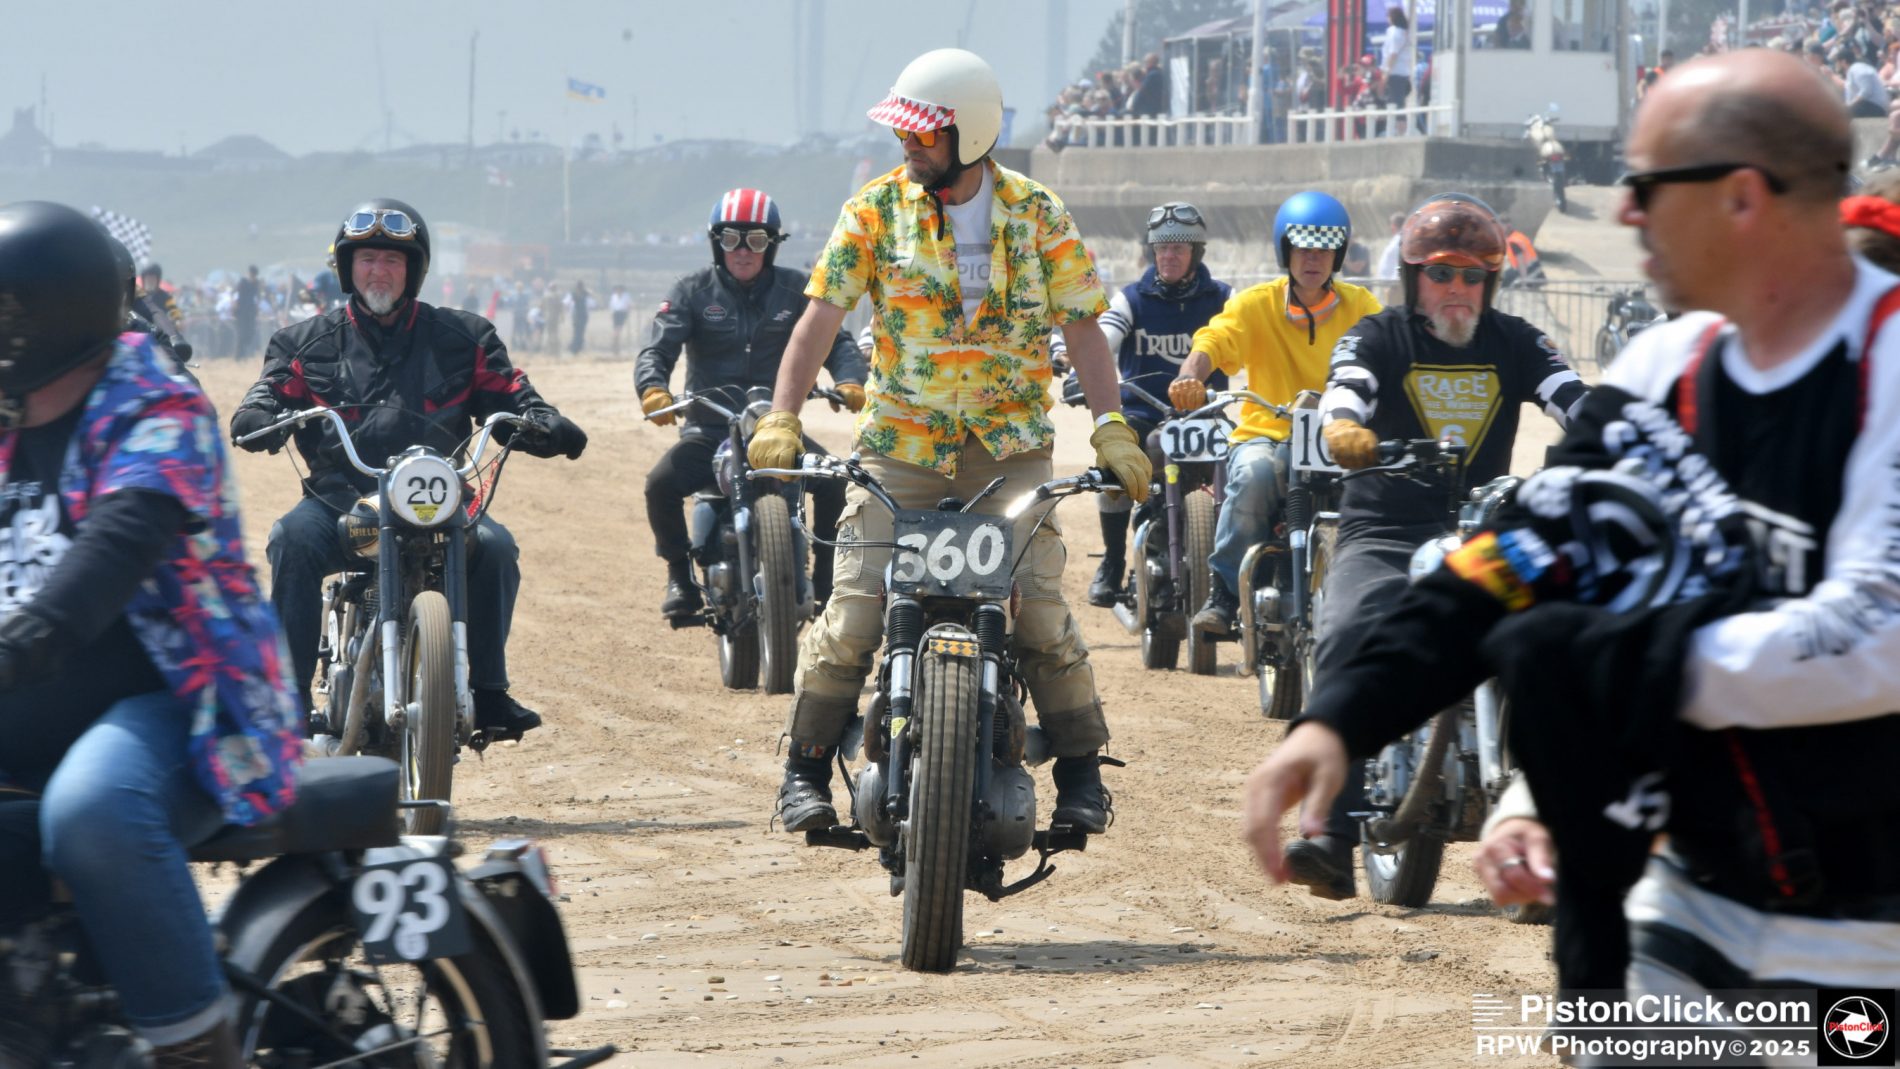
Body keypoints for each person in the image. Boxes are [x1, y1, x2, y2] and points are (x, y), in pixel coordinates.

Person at [1248, 48, 1900, 1003]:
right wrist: (1348, 713)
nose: (1626, 210)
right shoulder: (1664, 369)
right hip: (1684, 893)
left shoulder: (1882, 367)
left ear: (1744, 198)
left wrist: (1605, 669)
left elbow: (1875, 631)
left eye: (1646, 184)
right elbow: (1528, 558)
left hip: (1867, 914)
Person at [748, 48, 1152, 837]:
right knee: (856, 611)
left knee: (1039, 613)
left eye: (923, 135)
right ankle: (802, 769)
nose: (909, 147)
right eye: (905, 134)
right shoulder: (874, 211)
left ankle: (1078, 771)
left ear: (969, 136)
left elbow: (1084, 329)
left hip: (1009, 455)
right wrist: (782, 415)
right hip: (900, 448)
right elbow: (819, 319)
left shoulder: (1039, 215)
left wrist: (1111, 426)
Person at [0, 200, 302, 1068]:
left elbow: (119, 541)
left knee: (95, 813)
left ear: (42, 319)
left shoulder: (155, 404)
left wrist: (26, 637)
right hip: (36, 705)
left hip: (188, 702)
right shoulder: (11, 415)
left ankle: (195, 1048)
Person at [1272, 192, 1587, 900]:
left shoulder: (1516, 339)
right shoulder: (1379, 335)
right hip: (1384, 527)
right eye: (1443, 274)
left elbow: (1571, 394)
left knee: (1568, 638)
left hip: (1485, 525)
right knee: (1348, 635)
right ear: (1414, 278)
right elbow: (1346, 387)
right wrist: (1345, 428)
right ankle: (1329, 830)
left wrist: (1623, 430)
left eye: (1474, 276)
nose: (1458, 289)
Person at [229, 198, 587, 743]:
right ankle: (288, 699)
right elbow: (266, 394)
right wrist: (260, 416)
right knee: (290, 541)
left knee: (495, 548)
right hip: (338, 502)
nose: (380, 271)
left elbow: (512, 393)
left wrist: (544, 421)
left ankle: (488, 691)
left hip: (437, 503)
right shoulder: (302, 342)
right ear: (348, 268)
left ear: (414, 269)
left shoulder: (466, 337)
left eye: (393, 260)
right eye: (368, 259)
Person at [636, 188, 867, 620]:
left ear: (772, 245)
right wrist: (653, 390)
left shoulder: (798, 289)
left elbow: (836, 339)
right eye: (731, 240)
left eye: (756, 241)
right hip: (710, 430)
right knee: (659, 485)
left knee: (837, 482)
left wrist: (851, 378)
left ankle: (827, 584)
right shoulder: (691, 291)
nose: (743, 251)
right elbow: (658, 348)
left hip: (777, 427)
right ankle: (679, 576)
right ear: (715, 243)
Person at [1170, 191, 1383, 636]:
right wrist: (1191, 375)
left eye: (1324, 248)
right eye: (1303, 247)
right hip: (1265, 431)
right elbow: (1214, 341)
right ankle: (1225, 592)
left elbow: (1392, 347)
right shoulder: (1255, 304)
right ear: (1285, 250)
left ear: (1338, 254)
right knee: (1255, 476)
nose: (1313, 258)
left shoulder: (1362, 307)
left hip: (1337, 433)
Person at [1078, 202, 1233, 607]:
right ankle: (1112, 561)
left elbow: (1248, 332)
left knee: (1246, 469)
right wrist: (1074, 365)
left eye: (1178, 249)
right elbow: (1106, 333)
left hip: (1204, 418)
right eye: (1161, 249)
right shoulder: (1132, 299)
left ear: (1195, 254)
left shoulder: (1224, 299)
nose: (1168, 257)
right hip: (1144, 414)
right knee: (1112, 460)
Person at [234, 264, 261, 360]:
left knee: (250, 333)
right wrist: (235, 309)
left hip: (251, 311)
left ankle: (244, 353)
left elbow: (257, 297)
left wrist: (257, 309)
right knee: (242, 333)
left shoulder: (256, 283)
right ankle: (239, 356)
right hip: (242, 311)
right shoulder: (243, 282)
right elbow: (237, 296)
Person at [568, 279, 592, 354]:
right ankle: (574, 348)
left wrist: (585, 290)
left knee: (580, 332)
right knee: (577, 332)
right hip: (577, 315)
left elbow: (591, 293)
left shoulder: (584, 292)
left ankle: (578, 347)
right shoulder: (574, 294)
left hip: (583, 315)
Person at [609, 283, 633, 356]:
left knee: (618, 330)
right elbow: (612, 306)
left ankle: (616, 344)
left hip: (622, 313)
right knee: (616, 331)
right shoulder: (614, 296)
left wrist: (628, 310)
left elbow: (629, 305)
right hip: (616, 314)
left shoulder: (626, 296)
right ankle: (615, 345)